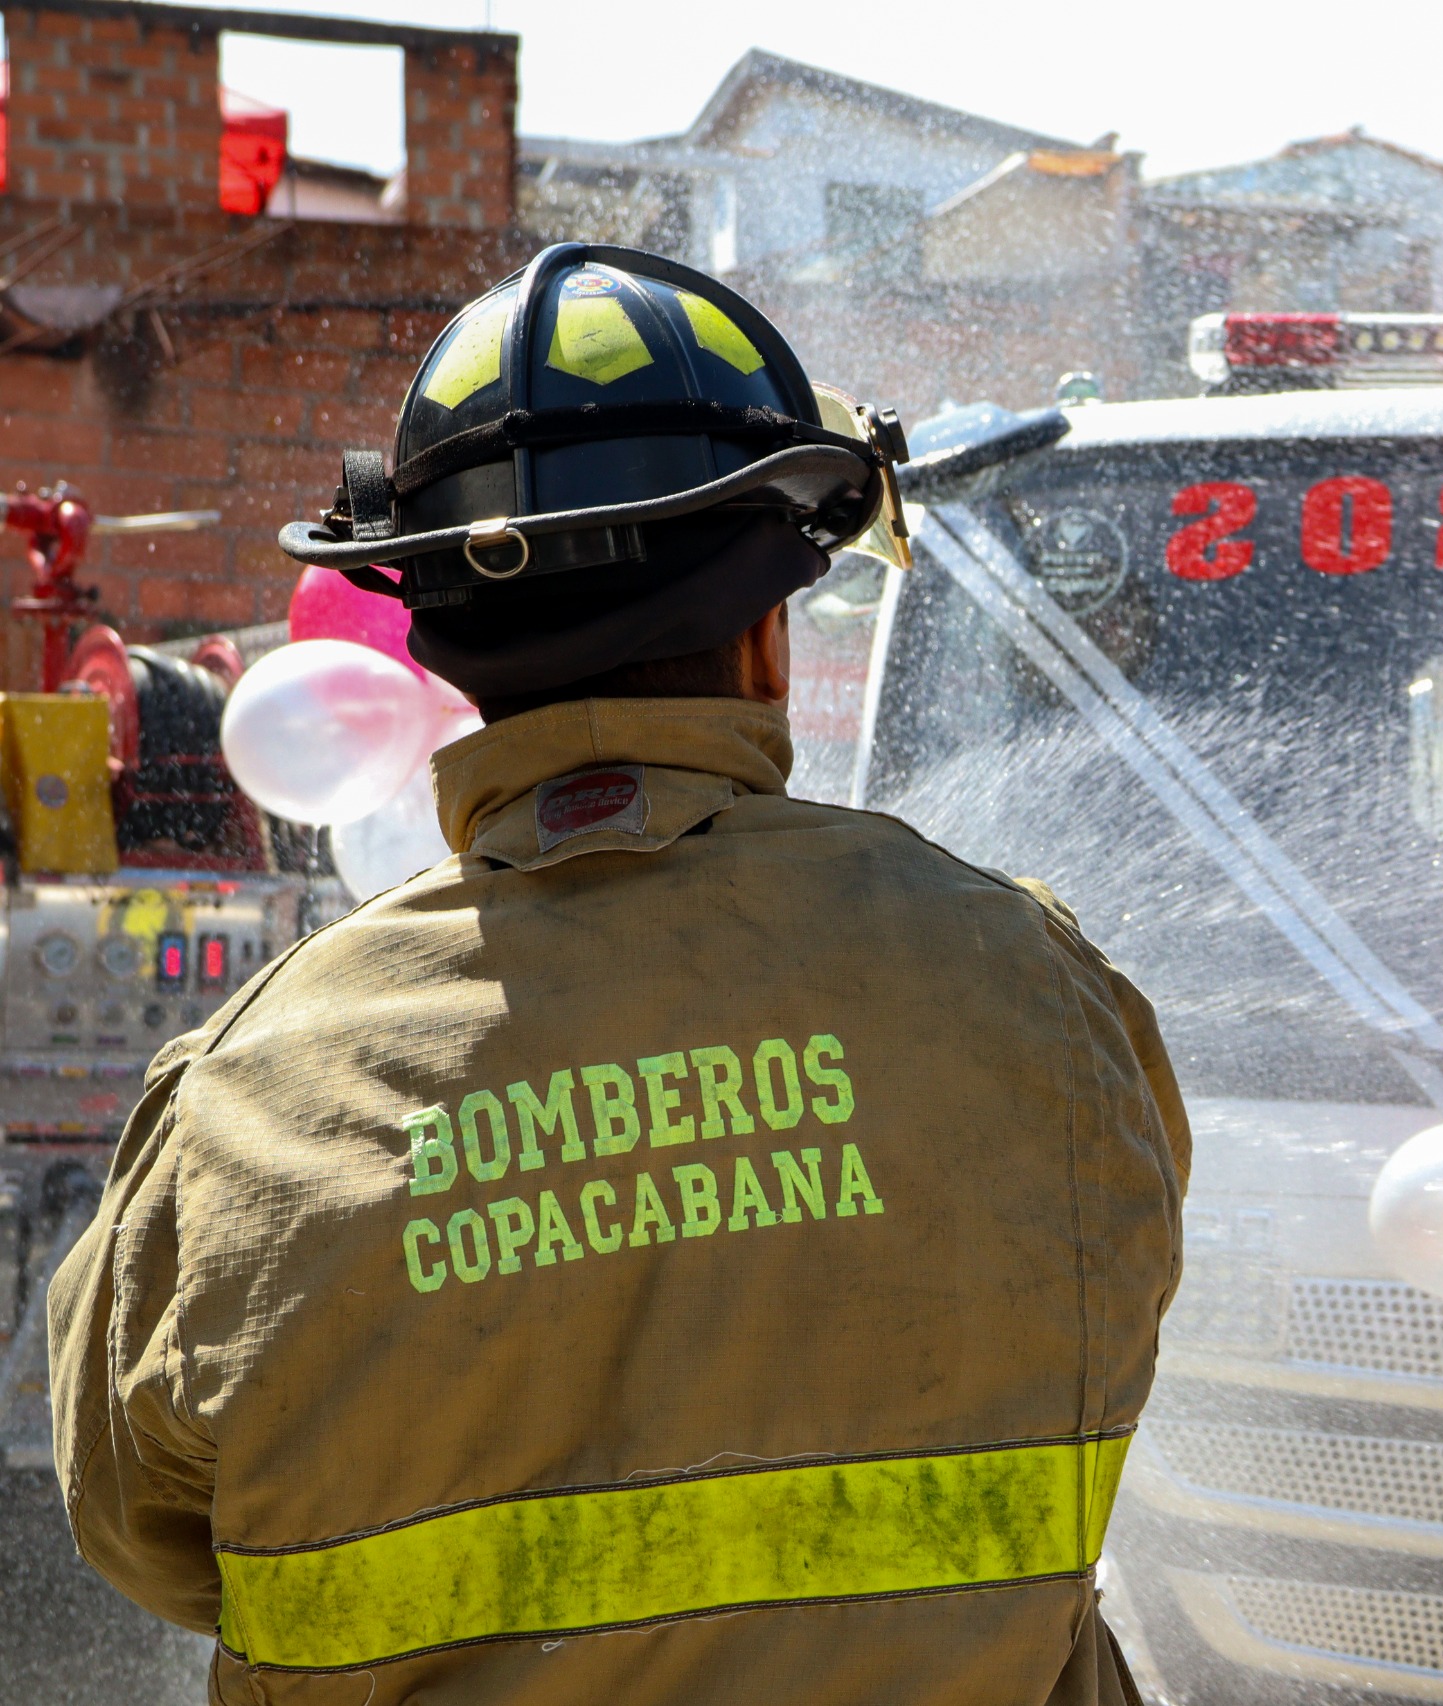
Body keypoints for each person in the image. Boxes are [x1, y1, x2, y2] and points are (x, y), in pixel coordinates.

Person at [46, 245, 1188, 1705]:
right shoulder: (1031, 986)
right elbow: (1107, 1348)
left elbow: (143, 1530)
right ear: (769, 639)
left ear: (450, 650)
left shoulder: (247, 1098)